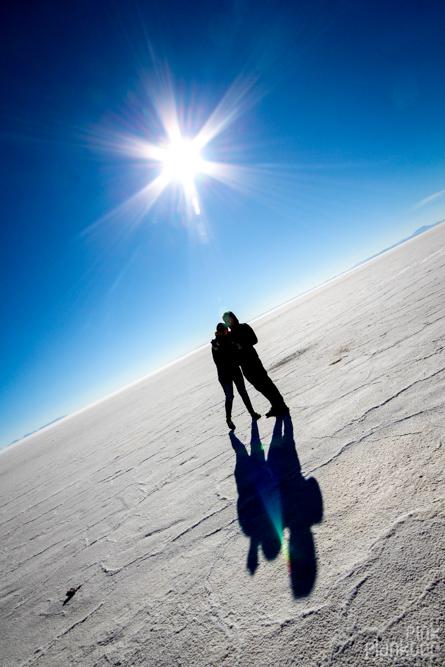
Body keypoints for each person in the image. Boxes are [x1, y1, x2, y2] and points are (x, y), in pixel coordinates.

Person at [222, 311, 289, 418]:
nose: (228, 322)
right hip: (244, 367)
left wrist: (241, 343)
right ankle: (275, 405)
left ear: (234, 318)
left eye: (229, 319)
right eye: (226, 321)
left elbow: (254, 340)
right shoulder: (230, 335)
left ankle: (282, 406)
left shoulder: (243, 327)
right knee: (259, 387)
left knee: (266, 384)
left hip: (253, 362)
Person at [211, 322, 261, 430]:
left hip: (235, 371)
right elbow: (218, 362)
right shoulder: (216, 344)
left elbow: (238, 352)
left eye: (223, 329)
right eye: (219, 330)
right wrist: (218, 350)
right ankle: (228, 419)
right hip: (225, 376)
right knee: (230, 397)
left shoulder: (232, 338)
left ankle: (252, 413)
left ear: (226, 329)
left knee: (243, 392)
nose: (221, 332)